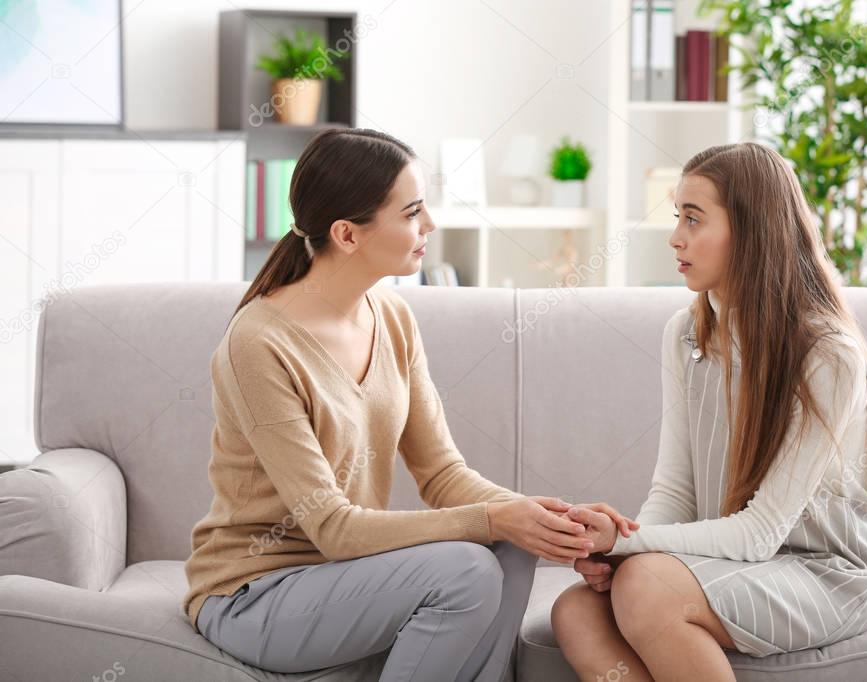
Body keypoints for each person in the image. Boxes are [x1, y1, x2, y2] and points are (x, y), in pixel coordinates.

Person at [181, 127, 638, 681]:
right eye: (412, 212)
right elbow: (331, 527)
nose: (430, 225)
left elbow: (443, 473)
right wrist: (492, 518)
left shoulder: (391, 317)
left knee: (512, 548)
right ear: (348, 234)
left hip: (346, 579)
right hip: (254, 595)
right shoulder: (258, 343)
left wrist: (551, 519)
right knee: (467, 567)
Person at [552, 142, 867, 682]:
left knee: (645, 586)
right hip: (740, 562)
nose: (676, 237)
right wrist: (620, 552)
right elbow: (675, 494)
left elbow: (760, 534)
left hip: (829, 574)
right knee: (575, 610)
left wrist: (625, 542)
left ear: (752, 230)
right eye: (678, 218)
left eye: (693, 219)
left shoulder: (829, 355)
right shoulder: (686, 334)